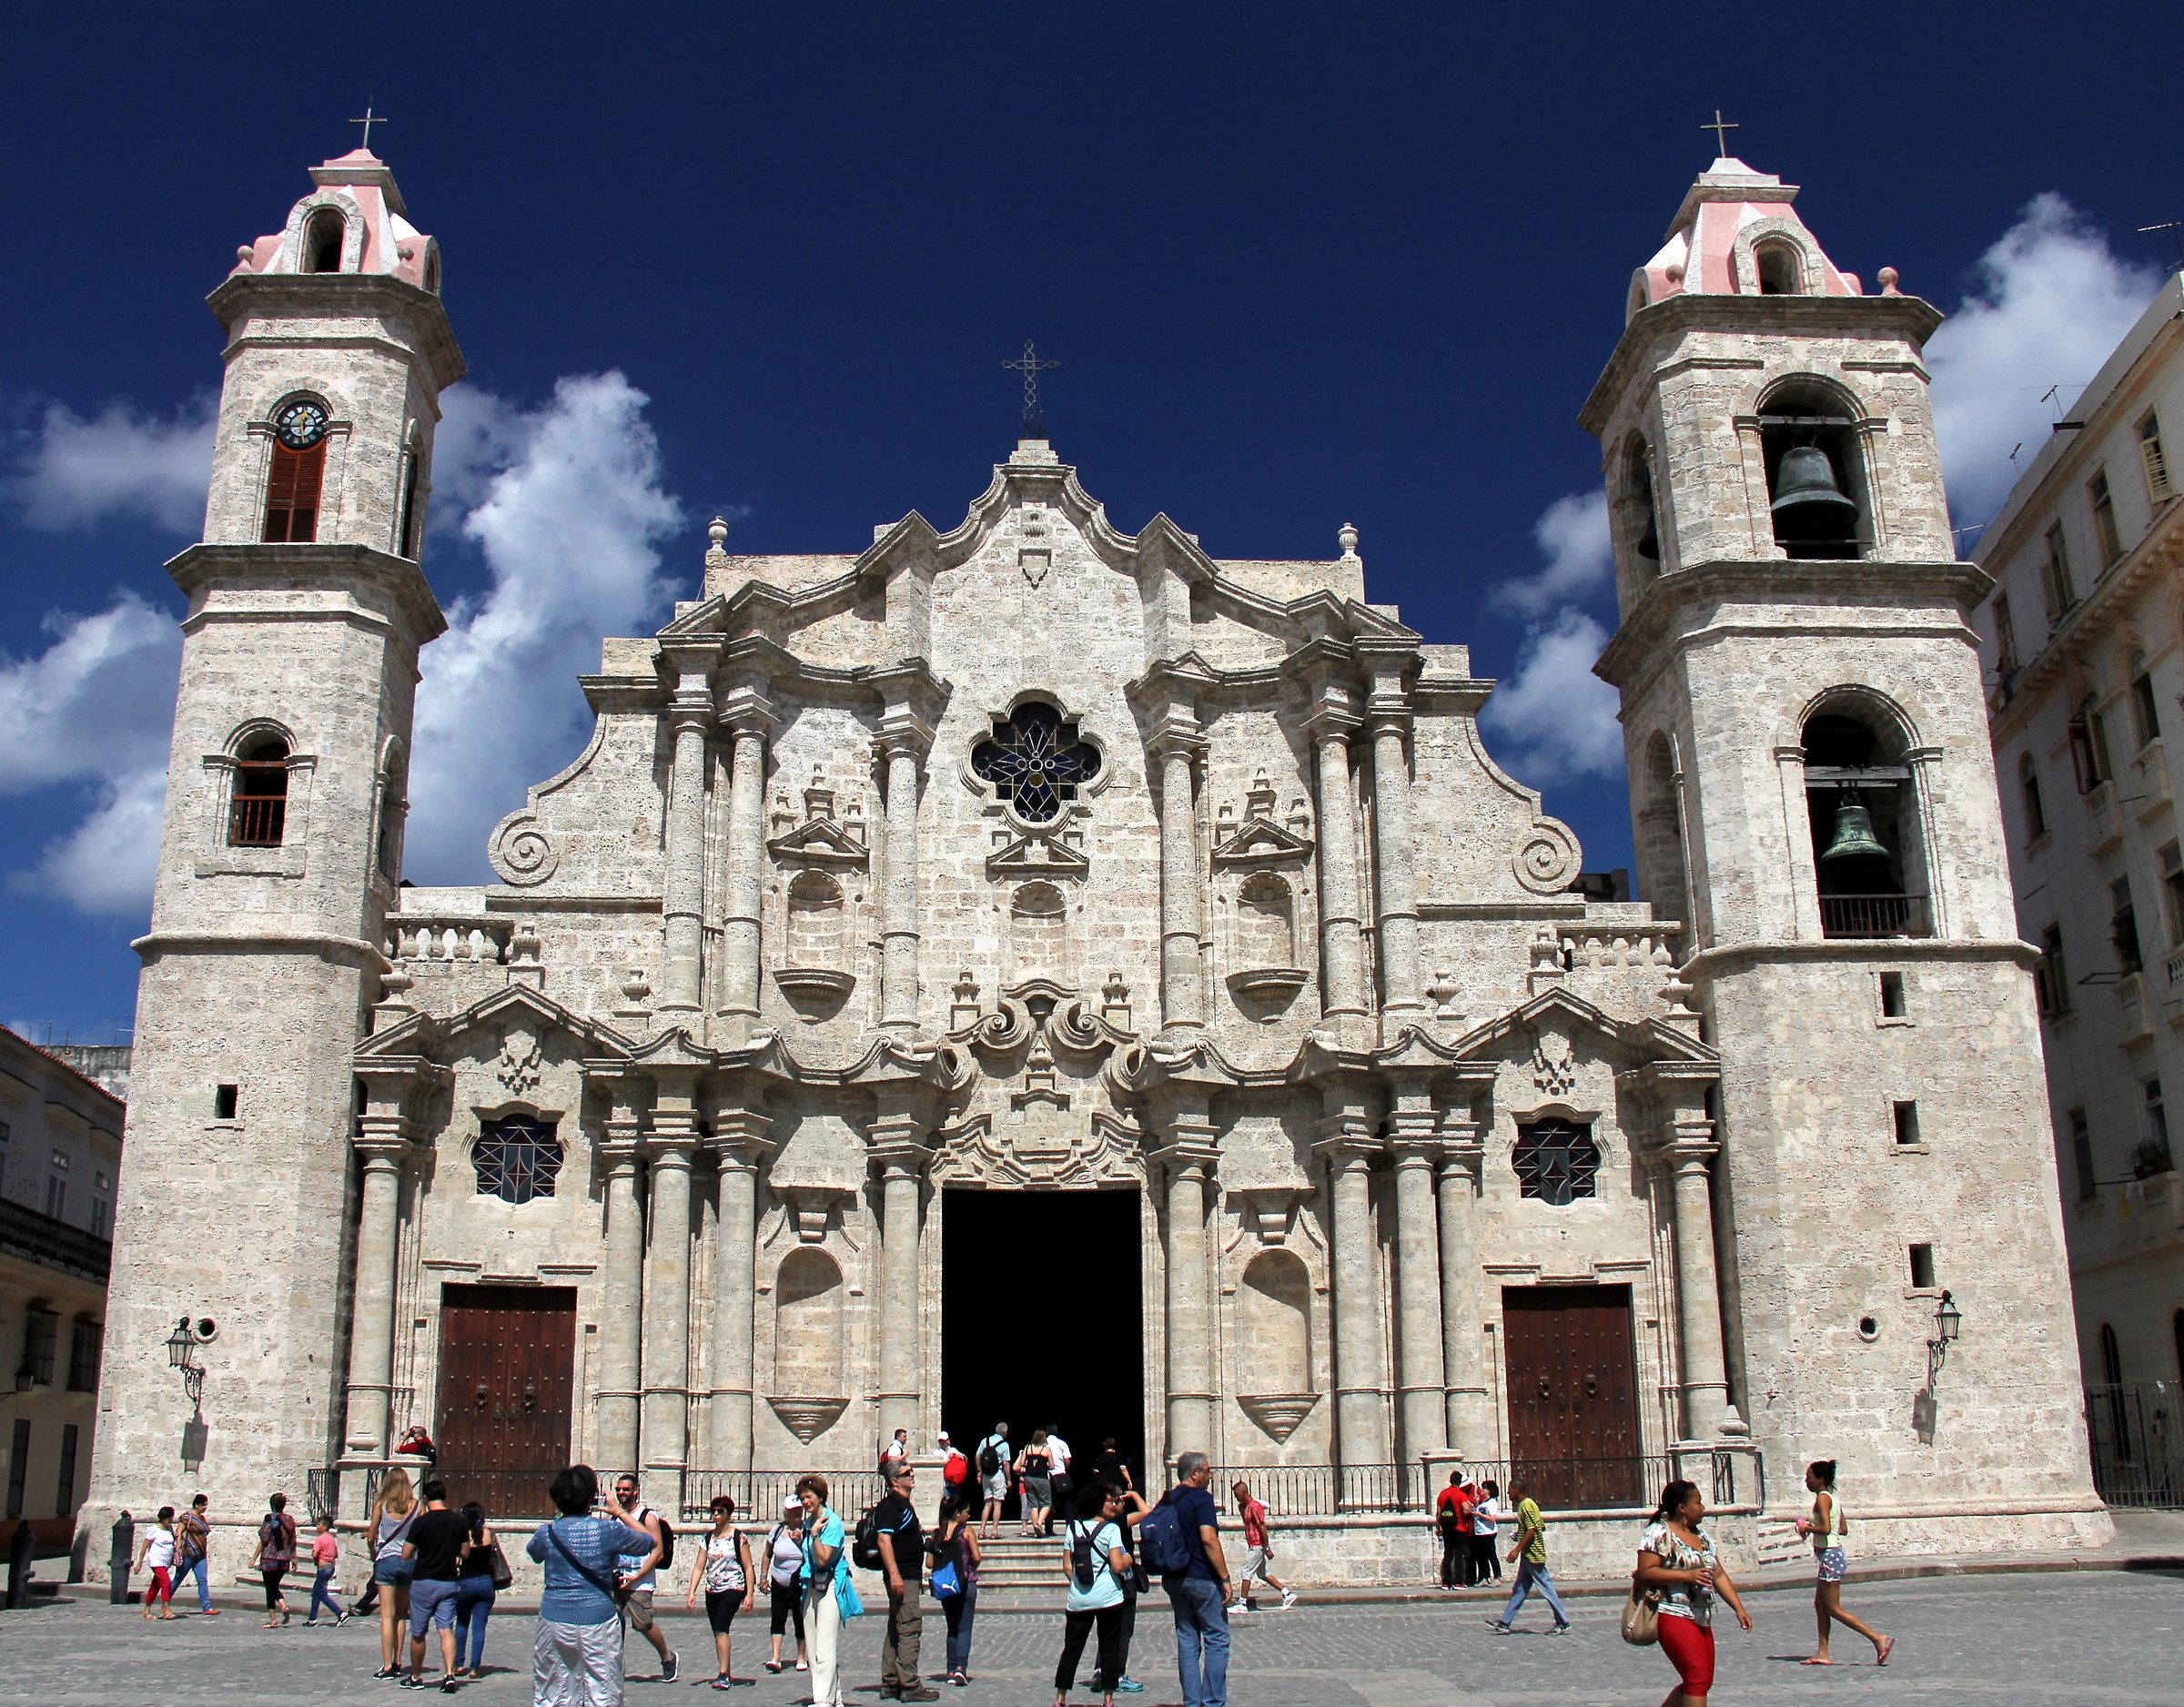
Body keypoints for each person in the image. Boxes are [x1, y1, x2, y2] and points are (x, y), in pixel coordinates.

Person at [528, 1465, 651, 1707]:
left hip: (555, 1617)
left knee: (554, 1687)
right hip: (599, 1617)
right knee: (602, 1687)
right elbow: (648, 1541)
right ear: (590, 1498)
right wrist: (621, 1513)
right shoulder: (608, 1530)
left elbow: (534, 1552)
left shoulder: (547, 1533)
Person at [1637, 1479, 1754, 1707]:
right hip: (1671, 1612)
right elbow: (1646, 1572)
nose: (1702, 1508)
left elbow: (1718, 1574)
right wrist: (1686, 1576)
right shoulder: (1659, 1533)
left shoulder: (1701, 1536)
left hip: (1701, 1615)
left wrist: (1738, 1608)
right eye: (1698, 1502)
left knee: (1703, 1681)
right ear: (1682, 1508)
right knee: (1696, 1680)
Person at [1795, 1460, 1893, 1668]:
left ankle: (1877, 1638)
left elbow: (1826, 1528)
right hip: (1832, 1555)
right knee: (1820, 1606)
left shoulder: (1822, 1498)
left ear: (1820, 1479)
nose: (1806, 1481)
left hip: (1831, 1556)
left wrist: (1807, 1528)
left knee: (1834, 1609)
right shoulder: (1833, 1498)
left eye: (1809, 1477)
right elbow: (1843, 1528)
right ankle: (1822, 1653)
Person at [1153, 1452, 1230, 1707]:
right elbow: (1209, 1539)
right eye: (1207, 1471)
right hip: (1201, 1576)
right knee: (1217, 1638)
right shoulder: (1201, 1498)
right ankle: (1213, 1702)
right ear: (1195, 1473)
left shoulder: (1166, 1499)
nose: (1210, 1476)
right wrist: (1225, 1577)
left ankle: (1191, 1702)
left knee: (1187, 1640)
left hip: (1174, 1577)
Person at [1056, 1483, 1132, 1707]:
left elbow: (1067, 1566)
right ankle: (1108, 1700)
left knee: (1072, 1648)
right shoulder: (1111, 1530)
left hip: (1079, 1598)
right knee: (1109, 1647)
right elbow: (1117, 1565)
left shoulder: (1073, 1528)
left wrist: (1080, 1584)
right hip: (1109, 1597)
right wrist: (1129, 1559)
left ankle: (1060, 1698)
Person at [873, 1459, 937, 1702]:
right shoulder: (891, 1506)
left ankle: (890, 1682)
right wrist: (895, 1575)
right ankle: (910, 1685)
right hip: (903, 1576)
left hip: (907, 1574)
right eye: (906, 1472)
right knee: (909, 1626)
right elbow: (883, 1540)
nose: (912, 1475)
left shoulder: (903, 1505)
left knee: (895, 1627)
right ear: (894, 1481)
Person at [797, 1472, 862, 1707]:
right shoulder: (808, 1522)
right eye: (802, 1498)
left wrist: (813, 1535)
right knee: (813, 1645)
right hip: (811, 1585)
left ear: (820, 1496)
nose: (805, 1502)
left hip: (831, 1585)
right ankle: (834, 1697)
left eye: (809, 1497)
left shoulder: (831, 1523)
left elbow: (824, 1558)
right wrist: (802, 1537)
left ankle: (822, 1701)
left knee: (825, 1645)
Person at [400, 1477, 470, 1692]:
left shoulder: (421, 1522)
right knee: (446, 1629)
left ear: (425, 1497)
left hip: (423, 1581)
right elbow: (465, 1552)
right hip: (448, 1581)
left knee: (419, 1633)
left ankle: (416, 1676)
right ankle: (449, 1674)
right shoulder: (458, 1521)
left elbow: (405, 1554)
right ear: (444, 1496)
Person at [612, 1471, 679, 1682]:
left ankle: (668, 1658)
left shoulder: (647, 1516)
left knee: (643, 1624)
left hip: (639, 1581)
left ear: (635, 1491)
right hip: (616, 1579)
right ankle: (613, 1666)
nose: (622, 1493)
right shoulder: (615, 1516)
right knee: (610, 1623)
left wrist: (637, 1576)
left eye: (626, 1489)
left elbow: (657, 1552)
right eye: (619, 1490)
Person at [684, 1493, 755, 1689]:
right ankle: (726, 1672)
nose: (715, 1515)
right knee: (718, 1631)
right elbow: (699, 1566)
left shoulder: (738, 1538)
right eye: (713, 1511)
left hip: (733, 1587)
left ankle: (723, 1674)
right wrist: (691, 1592)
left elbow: (748, 1566)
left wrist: (749, 1594)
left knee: (722, 1628)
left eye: (720, 1512)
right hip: (712, 1588)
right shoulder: (707, 1538)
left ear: (728, 1514)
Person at [1085, 1484, 1148, 1698]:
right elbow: (1148, 1513)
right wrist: (1136, 1494)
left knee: (1108, 1630)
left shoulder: (1094, 1524)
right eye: (1120, 1500)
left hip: (1103, 1583)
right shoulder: (1119, 1522)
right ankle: (1118, 1675)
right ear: (1110, 1503)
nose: (1123, 1503)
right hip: (1123, 1581)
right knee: (1123, 1630)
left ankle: (1100, 1671)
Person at [1485, 1479, 1569, 1635]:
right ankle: (1505, 1622)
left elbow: (1532, 1530)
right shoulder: (1528, 1505)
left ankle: (1562, 1621)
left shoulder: (1526, 1506)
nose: (1508, 1492)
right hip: (1528, 1555)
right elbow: (1539, 1526)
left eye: (1510, 1489)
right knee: (1520, 1589)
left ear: (1517, 1490)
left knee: (1546, 1587)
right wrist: (1519, 1535)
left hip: (1533, 1555)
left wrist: (1516, 1550)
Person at [369, 1469, 420, 1679]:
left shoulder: (381, 1505)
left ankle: (387, 1665)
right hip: (409, 1561)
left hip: (387, 1560)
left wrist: (374, 1553)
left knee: (386, 1614)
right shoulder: (417, 1505)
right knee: (401, 1614)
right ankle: (398, 1660)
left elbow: (372, 1535)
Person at [929, 1489, 983, 1687]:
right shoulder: (966, 1531)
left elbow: (928, 1562)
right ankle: (961, 1668)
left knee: (951, 1628)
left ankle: (951, 1669)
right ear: (958, 1513)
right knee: (964, 1628)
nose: (969, 1516)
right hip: (965, 1582)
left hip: (946, 1585)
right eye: (967, 1512)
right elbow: (977, 1557)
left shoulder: (938, 1533)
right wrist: (968, 1568)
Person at [1226, 1480, 1295, 1611]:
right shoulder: (1247, 1508)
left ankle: (1242, 1603)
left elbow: (1262, 1526)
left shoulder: (1255, 1506)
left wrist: (1267, 1547)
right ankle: (1287, 1594)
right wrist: (1241, 1508)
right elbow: (1247, 1523)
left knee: (1246, 1571)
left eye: (1236, 1494)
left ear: (1243, 1492)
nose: (1236, 1497)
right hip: (1253, 1543)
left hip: (1257, 1545)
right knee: (1263, 1574)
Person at [451, 1501, 500, 1681]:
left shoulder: (462, 1536)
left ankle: (458, 1663)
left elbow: (457, 1561)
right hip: (486, 1583)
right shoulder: (489, 1534)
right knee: (480, 1627)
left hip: (465, 1582)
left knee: (462, 1623)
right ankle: (475, 1667)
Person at [762, 1498, 809, 1676]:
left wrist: (800, 1542)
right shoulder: (777, 1530)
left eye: (799, 1509)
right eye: (793, 1510)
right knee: (778, 1617)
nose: (797, 1513)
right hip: (779, 1580)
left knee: (800, 1618)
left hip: (800, 1581)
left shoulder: (807, 1530)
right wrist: (763, 1577)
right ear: (786, 1512)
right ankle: (775, 1657)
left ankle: (801, 1657)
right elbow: (767, 1555)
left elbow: (813, 1553)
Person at [252, 1491, 298, 1628]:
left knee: (270, 1589)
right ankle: (284, 1606)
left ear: (272, 1504)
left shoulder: (269, 1518)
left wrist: (254, 1558)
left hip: (269, 1558)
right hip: (284, 1559)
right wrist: (294, 1559)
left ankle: (272, 1620)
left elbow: (264, 1539)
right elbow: (293, 1541)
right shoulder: (290, 1519)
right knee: (274, 1586)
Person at [174, 1491, 218, 1616]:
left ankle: (207, 1607)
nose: (206, 1507)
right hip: (188, 1553)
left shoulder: (202, 1519)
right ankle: (165, 1601)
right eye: (204, 1505)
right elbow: (179, 1532)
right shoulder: (187, 1517)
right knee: (178, 1579)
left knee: (202, 1580)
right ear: (197, 1505)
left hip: (201, 1554)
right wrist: (178, 1548)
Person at [135, 1506, 178, 1620]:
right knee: (166, 1582)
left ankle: (146, 1610)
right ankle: (166, 1609)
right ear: (163, 1518)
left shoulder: (169, 1529)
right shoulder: (154, 1529)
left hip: (165, 1562)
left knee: (155, 1586)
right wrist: (139, 1562)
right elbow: (145, 1546)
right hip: (156, 1561)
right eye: (169, 1519)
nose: (171, 1521)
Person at [304, 1518, 348, 1626]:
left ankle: (340, 1613)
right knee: (316, 1592)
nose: (317, 1526)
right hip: (330, 1567)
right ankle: (312, 1618)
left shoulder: (320, 1539)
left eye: (319, 1524)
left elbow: (315, 1554)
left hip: (323, 1568)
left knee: (322, 1593)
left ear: (324, 1527)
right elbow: (336, 1555)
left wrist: (316, 1561)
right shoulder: (331, 1539)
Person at [1433, 1472, 1471, 1589]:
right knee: (1459, 1554)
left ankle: (1446, 1582)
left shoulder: (1443, 1494)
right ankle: (1459, 1582)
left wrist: (1438, 1527)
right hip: (1459, 1527)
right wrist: (1470, 1507)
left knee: (1448, 1554)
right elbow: (1466, 1510)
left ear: (1450, 1480)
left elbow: (1438, 1512)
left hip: (1446, 1528)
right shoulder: (1461, 1495)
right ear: (1460, 1482)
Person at [1016, 1429, 1056, 1537]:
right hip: (1042, 1478)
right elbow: (1052, 1466)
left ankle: (1035, 1529)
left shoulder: (1028, 1448)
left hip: (1028, 1478)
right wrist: (1044, 1466)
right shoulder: (1046, 1449)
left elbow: (1021, 1463)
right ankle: (1039, 1523)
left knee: (1033, 1504)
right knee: (1047, 1503)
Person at [975, 1422, 1011, 1538]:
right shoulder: (1004, 1445)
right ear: (1005, 1432)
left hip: (986, 1476)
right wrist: (1009, 1480)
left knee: (987, 1504)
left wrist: (979, 1472)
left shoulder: (985, 1441)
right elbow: (1006, 1463)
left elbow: (977, 1457)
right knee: (997, 1504)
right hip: (997, 1475)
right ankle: (994, 1532)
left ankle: (981, 1531)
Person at [1470, 1480, 1503, 1585]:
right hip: (1479, 1532)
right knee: (1481, 1556)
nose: (1482, 1490)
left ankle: (1497, 1576)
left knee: (1491, 1555)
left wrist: (1480, 1514)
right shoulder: (1483, 1503)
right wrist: (1476, 1504)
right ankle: (1484, 1577)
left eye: (1484, 1488)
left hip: (1488, 1533)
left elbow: (1492, 1518)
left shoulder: (1492, 1503)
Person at [1045, 1427, 1074, 1539]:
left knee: (1048, 1504)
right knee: (1067, 1503)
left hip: (1047, 1476)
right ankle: (1070, 1527)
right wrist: (1065, 1469)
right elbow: (1067, 1460)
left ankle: (1049, 1529)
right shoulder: (1062, 1443)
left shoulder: (1044, 1444)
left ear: (1047, 1432)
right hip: (1061, 1475)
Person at [938, 1431, 970, 1502]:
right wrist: (949, 1459)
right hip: (944, 1483)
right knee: (946, 1502)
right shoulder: (937, 1452)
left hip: (954, 1483)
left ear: (947, 1440)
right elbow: (939, 1464)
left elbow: (966, 1461)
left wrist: (962, 1456)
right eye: (940, 1441)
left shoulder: (953, 1450)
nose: (942, 1442)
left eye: (944, 1440)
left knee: (956, 1503)